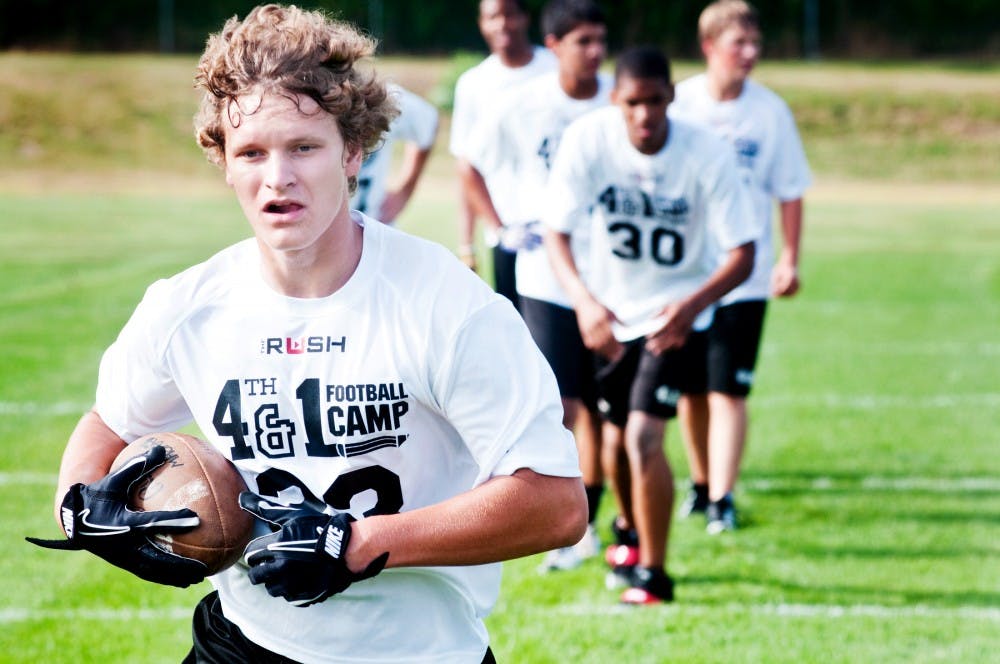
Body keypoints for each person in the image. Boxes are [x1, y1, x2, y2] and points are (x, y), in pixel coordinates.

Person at [27, 5, 587, 662]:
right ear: (224, 162)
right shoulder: (188, 306)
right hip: (243, 640)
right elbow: (109, 423)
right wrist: (84, 508)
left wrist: (355, 544)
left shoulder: (447, 305)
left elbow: (556, 505)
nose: (277, 179)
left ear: (353, 151)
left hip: (414, 650)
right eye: (252, 153)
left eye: (303, 147)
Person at [543, 46, 757, 603]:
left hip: (675, 317)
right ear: (616, 99)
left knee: (642, 437)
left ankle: (655, 575)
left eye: (655, 101)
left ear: (672, 98)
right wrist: (585, 304)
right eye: (633, 103)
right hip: (612, 314)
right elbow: (556, 233)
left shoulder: (706, 152)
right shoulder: (589, 140)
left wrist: (691, 306)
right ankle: (631, 535)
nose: (644, 115)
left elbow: (744, 253)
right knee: (613, 442)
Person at [465, 0, 611, 572]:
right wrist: (499, 227)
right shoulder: (523, 106)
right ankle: (573, 527)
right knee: (563, 403)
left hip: (615, 277)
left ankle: (600, 519)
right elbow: (470, 163)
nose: (595, 53)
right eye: (583, 41)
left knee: (608, 410)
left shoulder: (619, 100)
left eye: (601, 40)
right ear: (554, 46)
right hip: (546, 276)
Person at [670, 0, 812, 534]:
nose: (750, 54)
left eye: (756, 44)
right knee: (690, 390)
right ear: (710, 47)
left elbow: (791, 189)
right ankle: (702, 486)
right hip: (685, 276)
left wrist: (789, 258)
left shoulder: (770, 112)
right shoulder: (680, 104)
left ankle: (724, 498)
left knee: (729, 388)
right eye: (739, 44)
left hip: (743, 277)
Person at [450, 0, 557, 307]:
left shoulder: (554, 67)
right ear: (482, 23)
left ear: (525, 17)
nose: (502, 24)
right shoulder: (474, 84)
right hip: (509, 234)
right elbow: (466, 167)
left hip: (558, 229)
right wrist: (467, 243)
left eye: (509, 14)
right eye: (492, 17)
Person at [351, 82, 439, 225]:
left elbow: (427, 121)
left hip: (373, 230)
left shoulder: (377, 97)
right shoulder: (309, 102)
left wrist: (405, 190)